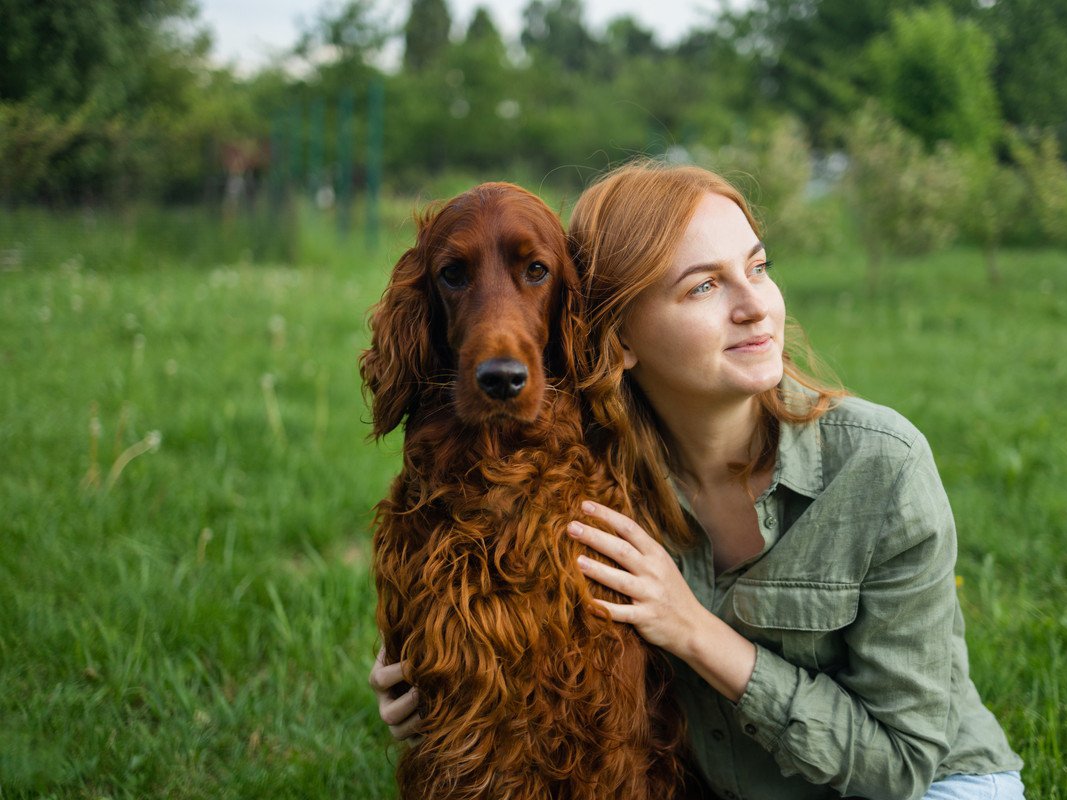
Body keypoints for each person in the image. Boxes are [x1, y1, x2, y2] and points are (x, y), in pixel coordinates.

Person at [369, 161, 1025, 800]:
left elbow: (903, 766)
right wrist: (437, 665)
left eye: (757, 268)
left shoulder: (880, 466)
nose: (754, 307)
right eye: (703, 287)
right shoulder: (601, 471)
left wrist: (694, 630)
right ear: (617, 338)